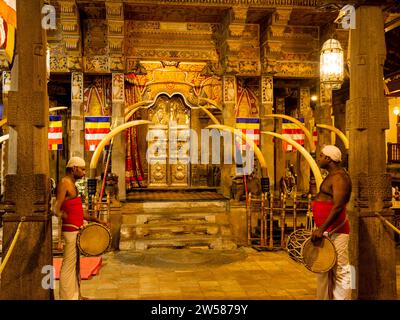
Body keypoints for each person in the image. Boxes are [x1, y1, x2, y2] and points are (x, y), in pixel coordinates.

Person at [53, 156, 107, 300]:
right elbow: (56, 209)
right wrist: (64, 216)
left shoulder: (73, 184)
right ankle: (67, 297)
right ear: (74, 168)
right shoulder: (64, 183)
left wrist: (96, 220)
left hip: (78, 229)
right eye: (82, 169)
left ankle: (77, 295)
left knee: (76, 265)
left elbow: (78, 211)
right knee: (68, 265)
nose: (84, 173)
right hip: (70, 231)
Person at [311, 145, 352, 300]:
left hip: (337, 231)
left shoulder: (340, 177)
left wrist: (322, 228)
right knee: (322, 267)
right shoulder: (332, 175)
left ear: (328, 158)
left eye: (321, 155)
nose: (318, 158)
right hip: (327, 231)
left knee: (342, 270)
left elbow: (339, 205)